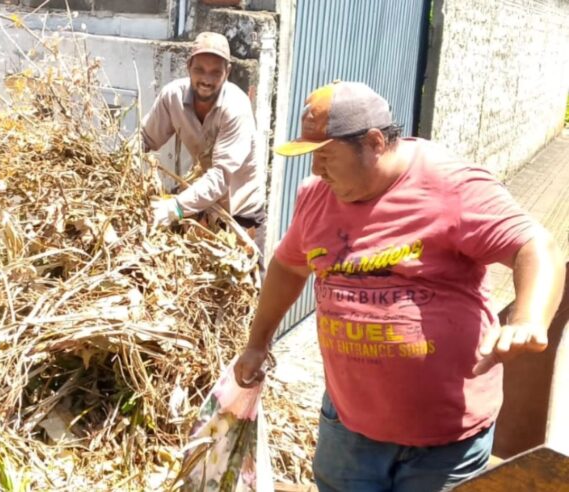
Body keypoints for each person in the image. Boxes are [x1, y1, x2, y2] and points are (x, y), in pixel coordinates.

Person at [233, 81, 565, 491]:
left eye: (325, 156)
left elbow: (535, 246)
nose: (315, 170)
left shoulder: (451, 186)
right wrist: (258, 342)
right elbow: (287, 267)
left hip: (445, 445)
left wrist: (529, 316)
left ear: (374, 142)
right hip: (348, 429)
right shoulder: (317, 196)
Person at [141, 31, 267, 263]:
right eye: (199, 70)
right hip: (199, 205)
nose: (206, 79)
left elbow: (220, 178)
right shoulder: (173, 97)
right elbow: (144, 141)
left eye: (215, 72)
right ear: (188, 66)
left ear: (227, 73)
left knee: (248, 290)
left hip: (239, 212)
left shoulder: (235, 108)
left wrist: (174, 209)